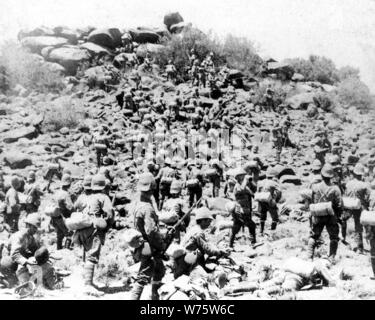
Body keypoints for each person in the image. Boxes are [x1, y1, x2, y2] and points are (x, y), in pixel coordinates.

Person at [73, 174, 113, 296]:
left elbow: (75, 208)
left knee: (86, 254)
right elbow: (110, 214)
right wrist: (107, 226)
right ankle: (88, 286)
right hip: (94, 228)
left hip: (83, 226)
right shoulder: (104, 197)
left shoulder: (86, 197)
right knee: (92, 255)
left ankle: (87, 282)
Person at [129, 173, 166, 300]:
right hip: (148, 246)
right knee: (144, 275)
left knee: (159, 269)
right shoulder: (148, 208)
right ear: (152, 189)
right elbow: (151, 231)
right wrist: (161, 244)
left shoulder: (136, 204)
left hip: (141, 244)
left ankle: (154, 297)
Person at [174, 207, 229, 278]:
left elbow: (206, 243)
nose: (210, 223)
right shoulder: (199, 232)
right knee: (207, 278)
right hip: (187, 261)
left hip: (183, 259)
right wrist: (220, 252)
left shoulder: (194, 229)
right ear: (203, 221)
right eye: (209, 221)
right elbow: (208, 250)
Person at [306, 164, 343, 263]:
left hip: (317, 214)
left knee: (314, 236)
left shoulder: (315, 187)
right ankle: (331, 258)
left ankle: (309, 257)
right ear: (331, 176)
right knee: (334, 237)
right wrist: (338, 216)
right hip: (330, 216)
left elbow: (310, 200)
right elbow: (339, 204)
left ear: (322, 175)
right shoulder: (335, 189)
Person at [342, 163, 370, 252]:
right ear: (361, 174)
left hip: (349, 206)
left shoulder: (348, 184)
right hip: (360, 207)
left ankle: (344, 239)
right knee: (362, 226)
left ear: (354, 173)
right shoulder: (364, 185)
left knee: (345, 221)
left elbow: (345, 195)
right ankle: (363, 246)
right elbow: (369, 197)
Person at [228, 168, 257, 247]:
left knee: (237, 226)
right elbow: (242, 189)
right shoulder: (237, 186)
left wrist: (251, 181)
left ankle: (230, 245)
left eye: (244, 175)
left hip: (245, 209)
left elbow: (254, 191)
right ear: (238, 177)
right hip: (240, 209)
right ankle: (253, 242)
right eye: (242, 176)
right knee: (251, 225)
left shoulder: (245, 186)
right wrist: (245, 181)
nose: (244, 177)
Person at [257, 167, 282, 234]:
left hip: (261, 200)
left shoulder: (260, 182)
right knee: (275, 217)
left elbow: (257, 191)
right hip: (269, 200)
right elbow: (279, 191)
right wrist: (276, 200)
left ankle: (261, 231)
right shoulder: (274, 183)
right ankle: (272, 232)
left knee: (262, 216)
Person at [52, 174, 73, 250]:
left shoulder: (57, 192)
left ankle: (59, 249)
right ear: (69, 184)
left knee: (59, 235)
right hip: (62, 217)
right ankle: (66, 251)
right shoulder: (66, 194)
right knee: (69, 234)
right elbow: (70, 207)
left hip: (54, 217)